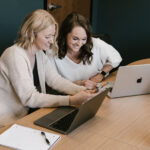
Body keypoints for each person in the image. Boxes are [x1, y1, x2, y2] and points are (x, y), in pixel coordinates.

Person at [0, 10, 95, 127]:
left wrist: (81, 91)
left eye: (53, 35)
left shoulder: (39, 53)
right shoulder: (14, 55)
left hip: (24, 116)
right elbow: (29, 97)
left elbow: (55, 80)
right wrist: (70, 100)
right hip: (5, 122)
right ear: (30, 33)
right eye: (47, 36)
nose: (51, 41)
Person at [47, 12, 122, 89]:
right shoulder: (51, 51)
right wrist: (77, 84)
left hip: (95, 91)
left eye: (84, 39)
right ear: (65, 34)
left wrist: (101, 74)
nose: (79, 44)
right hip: (68, 95)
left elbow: (116, 58)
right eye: (75, 39)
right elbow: (50, 83)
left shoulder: (96, 44)